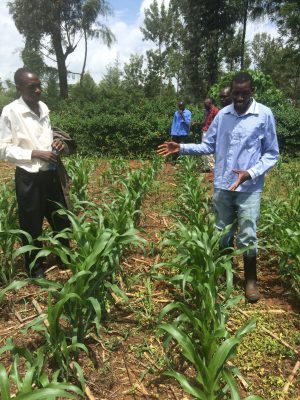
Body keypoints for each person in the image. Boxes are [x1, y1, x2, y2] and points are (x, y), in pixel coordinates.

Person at [157, 72, 279, 303]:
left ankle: (250, 280)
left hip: (249, 188)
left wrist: (250, 173)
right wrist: (181, 148)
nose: (240, 97)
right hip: (223, 185)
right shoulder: (222, 116)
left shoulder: (264, 115)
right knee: (222, 232)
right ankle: (225, 272)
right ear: (231, 92)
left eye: (245, 93)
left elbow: (272, 154)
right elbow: (208, 146)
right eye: (236, 93)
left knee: (248, 233)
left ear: (251, 91)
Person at [0, 68, 75, 278]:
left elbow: (47, 135)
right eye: (31, 87)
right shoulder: (10, 111)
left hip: (50, 174)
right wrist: (34, 153)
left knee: (60, 218)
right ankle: (35, 267)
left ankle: (63, 256)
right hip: (28, 177)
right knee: (31, 223)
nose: (38, 90)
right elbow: (3, 148)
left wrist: (56, 143)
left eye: (39, 85)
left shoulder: (43, 107)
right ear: (19, 88)